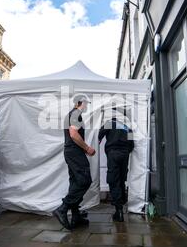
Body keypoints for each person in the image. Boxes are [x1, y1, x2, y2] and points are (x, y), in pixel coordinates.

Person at [53, 95, 96, 230]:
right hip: (74, 152)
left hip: (72, 152)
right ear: (80, 103)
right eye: (86, 103)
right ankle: (63, 208)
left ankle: (76, 215)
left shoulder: (73, 114)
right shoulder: (76, 113)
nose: (87, 106)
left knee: (76, 182)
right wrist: (87, 148)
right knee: (84, 180)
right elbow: (73, 134)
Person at [98, 108, 134, 222]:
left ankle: (118, 211)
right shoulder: (127, 127)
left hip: (113, 153)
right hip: (124, 155)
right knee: (121, 180)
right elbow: (132, 145)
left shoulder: (110, 123)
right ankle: (121, 208)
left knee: (113, 180)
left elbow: (99, 135)